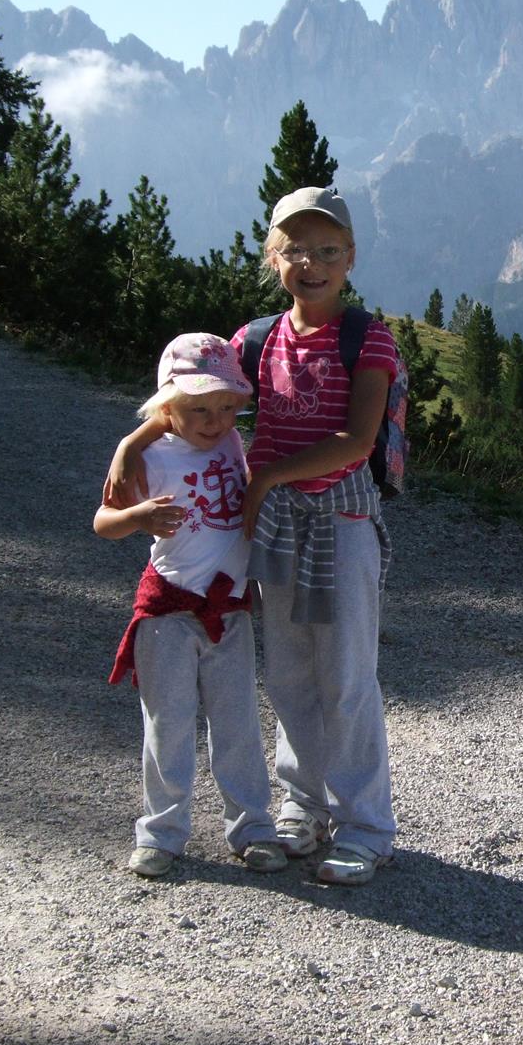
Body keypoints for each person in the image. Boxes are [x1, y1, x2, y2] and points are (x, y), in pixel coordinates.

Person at [108, 186, 398, 887]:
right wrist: (133, 440)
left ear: (350, 259)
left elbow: (357, 441)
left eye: (327, 251)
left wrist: (265, 481)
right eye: (294, 249)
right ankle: (302, 806)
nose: (311, 263)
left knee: (348, 676)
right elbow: (189, 399)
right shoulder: (253, 340)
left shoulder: (370, 338)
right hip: (273, 529)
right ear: (273, 258)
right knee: (291, 673)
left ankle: (365, 826)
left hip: (342, 523)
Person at [94, 333, 288, 879]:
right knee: (168, 724)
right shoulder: (151, 455)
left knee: (238, 723)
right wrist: (136, 516)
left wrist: (140, 435)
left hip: (228, 608)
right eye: (198, 409)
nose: (215, 420)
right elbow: (102, 522)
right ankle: (161, 832)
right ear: (168, 407)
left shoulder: (230, 442)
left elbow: (201, 423)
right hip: (168, 612)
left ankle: (252, 828)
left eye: (227, 407)